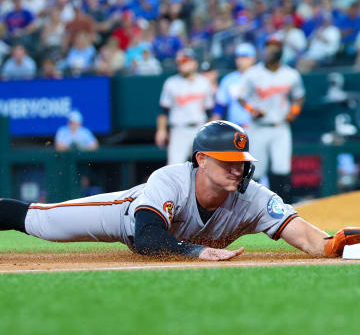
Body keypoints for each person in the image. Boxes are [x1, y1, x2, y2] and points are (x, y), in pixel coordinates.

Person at [0, 120, 359, 261]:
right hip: (123, 215)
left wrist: (338, 242)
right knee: (39, 221)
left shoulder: (254, 199)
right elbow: (147, 239)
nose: (238, 168)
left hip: (173, 235)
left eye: (241, 160)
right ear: (202, 159)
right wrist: (194, 251)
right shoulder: (170, 179)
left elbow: (315, 241)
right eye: (226, 160)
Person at [235, 36, 305, 203]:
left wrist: (293, 112)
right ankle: (250, 207)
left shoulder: (291, 74)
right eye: (268, 47)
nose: (271, 50)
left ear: (281, 50)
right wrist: (252, 110)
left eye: (275, 47)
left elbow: (299, 97)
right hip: (258, 126)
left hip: (280, 126)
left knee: (282, 168)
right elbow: (241, 96)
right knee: (256, 170)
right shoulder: (253, 73)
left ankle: (282, 207)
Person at [155, 48, 214, 165]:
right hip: (179, 130)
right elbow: (163, 110)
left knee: (205, 167)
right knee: (174, 167)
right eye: (180, 62)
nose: (182, 65)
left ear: (194, 63)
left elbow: (210, 111)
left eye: (185, 61)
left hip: (200, 129)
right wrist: (161, 130)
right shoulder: (171, 83)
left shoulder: (204, 82)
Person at [211, 43, 256, 128]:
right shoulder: (229, 79)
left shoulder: (260, 77)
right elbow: (220, 105)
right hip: (235, 128)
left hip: (257, 126)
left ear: (253, 58)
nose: (240, 60)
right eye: (238, 57)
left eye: (244, 56)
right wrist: (213, 126)